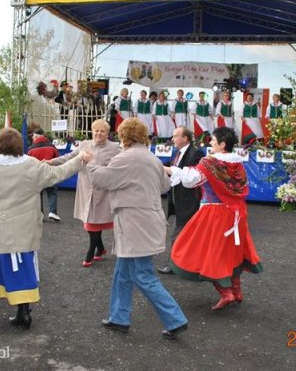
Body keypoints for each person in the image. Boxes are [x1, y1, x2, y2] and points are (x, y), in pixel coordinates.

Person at [0, 128, 91, 334]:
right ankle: (24, 315)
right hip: (20, 231)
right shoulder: (31, 165)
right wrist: (80, 160)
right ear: (19, 145)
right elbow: (58, 174)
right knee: (22, 272)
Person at [88, 118, 188, 340]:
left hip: (134, 223)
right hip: (146, 220)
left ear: (124, 136)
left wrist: (90, 162)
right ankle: (118, 317)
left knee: (143, 275)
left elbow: (100, 178)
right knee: (122, 273)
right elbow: (164, 184)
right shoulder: (151, 158)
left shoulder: (125, 157)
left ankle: (175, 319)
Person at [166, 126, 263, 311]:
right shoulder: (238, 165)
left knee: (207, 253)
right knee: (231, 253)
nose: (210, 143)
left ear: (222, 144)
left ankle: (226, 293)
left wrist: (169, 170)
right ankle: (236, 291)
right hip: (236, 214)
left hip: (215, 214)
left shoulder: (210, 163)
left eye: (213, 140)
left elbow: (192, 179)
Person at [49, 119, 120, 267]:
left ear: (108, 134)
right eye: (96, 130)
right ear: (92, 131)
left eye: (102, 131)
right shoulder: (84, 145)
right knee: (89, 222)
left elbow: (116, 168)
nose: (99, 133)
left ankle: (91, 252)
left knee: (94, 223)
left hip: (102, 190)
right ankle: (100, 248)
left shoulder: (114, 148)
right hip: (86, 188)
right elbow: (69, 157)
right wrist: (51, 162)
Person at [158, 126, 203, 275]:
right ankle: (188, 265)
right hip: (178, 199)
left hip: (189, 201)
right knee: (185, 234)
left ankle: (174, 265)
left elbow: (190, 177)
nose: (173, 139)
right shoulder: (179, 152)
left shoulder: (195, 153)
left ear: (185, 138)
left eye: (176, 136)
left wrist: (165, 169)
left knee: (179, 234)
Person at [27, 128, 61, 221]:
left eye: (33, 135)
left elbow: (28, 163)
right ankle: (53, 212)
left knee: (38, 194)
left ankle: (40, 214)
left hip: (37, 174)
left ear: (37, 136)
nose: (32, 138)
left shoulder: (31, 149)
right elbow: (58, 159)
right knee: (52, 192)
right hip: (50, 172)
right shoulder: (52, 147)